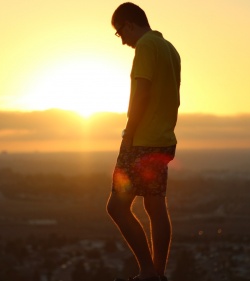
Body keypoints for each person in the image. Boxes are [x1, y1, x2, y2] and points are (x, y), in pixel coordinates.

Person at [106, 3, 181, 281]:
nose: (122, 40)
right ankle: (157, 274)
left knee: (116, 207)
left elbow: (142, 93)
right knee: (155, 206)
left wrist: (129, 132)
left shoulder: (146, 47)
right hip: (163, 139)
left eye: (119, 32)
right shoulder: (170, 49)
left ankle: (148, 271)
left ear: (129, 24)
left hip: (142, 140)